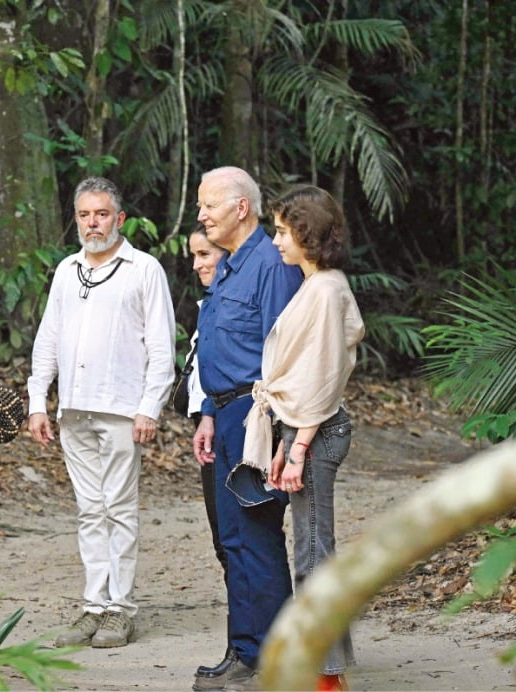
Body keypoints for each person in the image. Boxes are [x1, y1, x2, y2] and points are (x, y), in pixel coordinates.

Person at [27, 176, 175, 649]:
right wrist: (37, 402)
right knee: (90, 510)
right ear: (76, 219)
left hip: (121, 409)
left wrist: (149, 408)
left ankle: (121, 609)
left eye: (102, 214)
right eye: (85, 215)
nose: (94, 223)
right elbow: (47, 340)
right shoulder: (67, 270)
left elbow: (161, 346)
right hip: (74, 409)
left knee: (119, 509)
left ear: (120, 219)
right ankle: (94, 606)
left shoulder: (143, 269)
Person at [244, 186, 364, 692]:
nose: (275, 241)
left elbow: (322, 375)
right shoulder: (316, 285)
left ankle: (327, 676)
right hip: (301, 430)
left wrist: (296, 448)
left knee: (314, 555)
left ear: (306, 235)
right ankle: (323, 668)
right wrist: (283, 443)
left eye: (281, 231)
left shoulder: (324, 289)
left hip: (315, 432)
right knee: (311, 551)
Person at [189, 167, 302, 690]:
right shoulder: (229, 267)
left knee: (257, 535)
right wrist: (210, 413)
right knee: (231, 539)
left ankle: (276, 657)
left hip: (257, 416)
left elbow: (284, 357)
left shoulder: (270, 265)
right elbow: (218, 349)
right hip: (226, 412)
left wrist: (282, 439)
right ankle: (243, 650)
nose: (201, 215)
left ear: (241, 208)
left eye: (209, 205)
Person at [180, 227, 231, 600]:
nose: (197, 265)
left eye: (206, 255)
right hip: (208, 423)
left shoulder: (234, 305)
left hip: (236, 420)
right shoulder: (206, 307)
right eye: (194, 256)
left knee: (241, 533)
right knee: (222, 535)